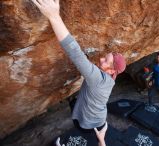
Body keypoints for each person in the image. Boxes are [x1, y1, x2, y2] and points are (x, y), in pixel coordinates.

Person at [31, 0, 126, 146]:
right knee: (92, 137)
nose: (101, 59)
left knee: (84, 132)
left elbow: (74, 52)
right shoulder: (110, 78)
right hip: (97, 120)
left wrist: (54, 16)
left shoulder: (98, 78)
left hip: (89, 124)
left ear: (112, 70)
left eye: (106, 60)